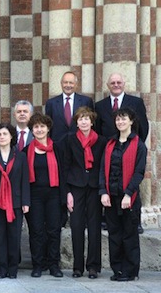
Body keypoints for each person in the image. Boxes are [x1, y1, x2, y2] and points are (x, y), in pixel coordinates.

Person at [95, 73, 149, 234]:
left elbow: (144, 128)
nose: (116, 84)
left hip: (129, 149)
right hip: (109, 150)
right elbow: (98, 130)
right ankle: (107, 218)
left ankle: (135, 220)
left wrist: (133, 144)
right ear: (107, 85)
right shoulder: (100, 105)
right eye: (113, 82)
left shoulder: (136, 102)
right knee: (110, 183)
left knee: (132, 184)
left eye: (119, 82)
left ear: (124, 84)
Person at [99, 107, 146, 282]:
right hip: (111, 196)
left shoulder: (138, 145)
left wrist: (128, 194)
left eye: (123, 119)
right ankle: (117, 269)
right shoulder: (110, 144)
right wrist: (103, 192)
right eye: (118, 119)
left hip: (129, 198)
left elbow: (139, 173)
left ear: (131, 121)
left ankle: (130, 271)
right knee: (114, 235)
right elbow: (103, 170)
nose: (120, 122)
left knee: (129, 235)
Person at [0, 123, 30, 279]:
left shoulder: (21, 156)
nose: (2, 137)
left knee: (14, 236)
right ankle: (1, 268)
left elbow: (25, 181)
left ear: (11, 136)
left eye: (5, 134)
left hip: (15, 203)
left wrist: (25, 202)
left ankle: (12, 268)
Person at [64, 106, 106, 279]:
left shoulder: (102, 141)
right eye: (80, 118)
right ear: (76, 122)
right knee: (76, 227)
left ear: (92, 121)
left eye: (86, 118)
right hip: (76, 187)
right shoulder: (69, 139)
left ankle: (93, 266)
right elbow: (65, 166)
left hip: (95, 187)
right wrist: (67, 193)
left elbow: (104, 167)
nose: (83, 121)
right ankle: (77, 267)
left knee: (95, 227)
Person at [24, 113, 65, 278]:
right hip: (34, 195)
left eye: (42, 126)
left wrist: (65, 196)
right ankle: (38, 265)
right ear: (32, 130)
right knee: (36, 231)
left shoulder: (57, 148)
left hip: (54, 194)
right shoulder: (26, 151)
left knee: (54, 230)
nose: (39, 129)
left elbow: (63, 173)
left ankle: (53, 264)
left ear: (48, 129)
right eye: (36, 127)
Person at [45, 71, 94, 142]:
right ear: (61, 84)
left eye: (71, 83)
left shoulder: (86, 101)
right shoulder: (51, 103)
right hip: (58, 145)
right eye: (65, 82)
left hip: (80, 144)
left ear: (76, 85)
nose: (68, 85)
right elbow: (48, 126)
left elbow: (92, 124)